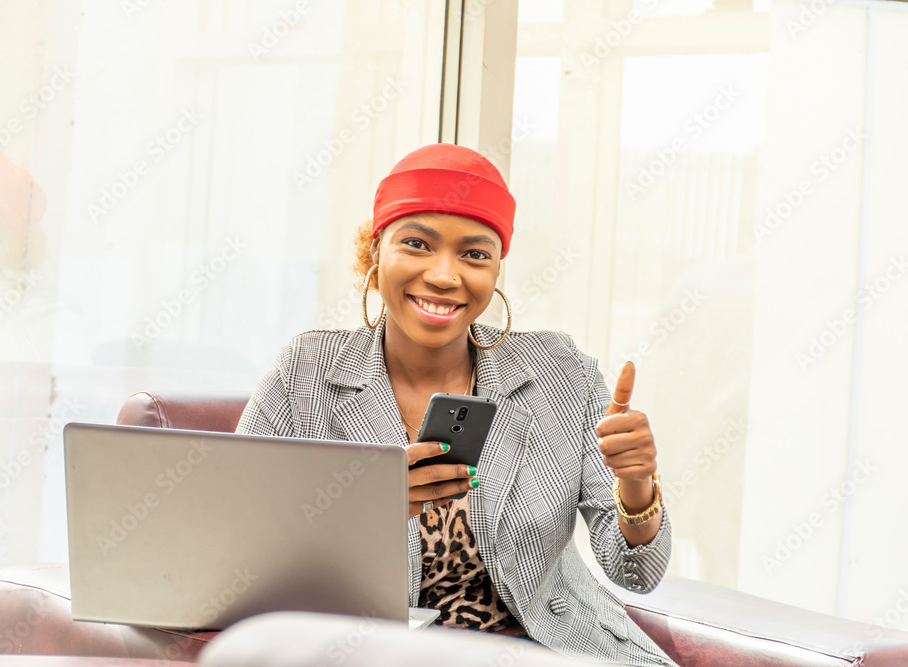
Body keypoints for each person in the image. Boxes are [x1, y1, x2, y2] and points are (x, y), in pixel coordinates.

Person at [235, 143, 677, 666]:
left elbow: (637, 573)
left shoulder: (561, 373)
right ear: (375, 253)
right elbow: (239, 555)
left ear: (495, 272)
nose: (445, 275)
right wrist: (363, 513)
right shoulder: (305, 373)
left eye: (474, 254)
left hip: (551, 652)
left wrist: (635, 484)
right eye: (417, 244)